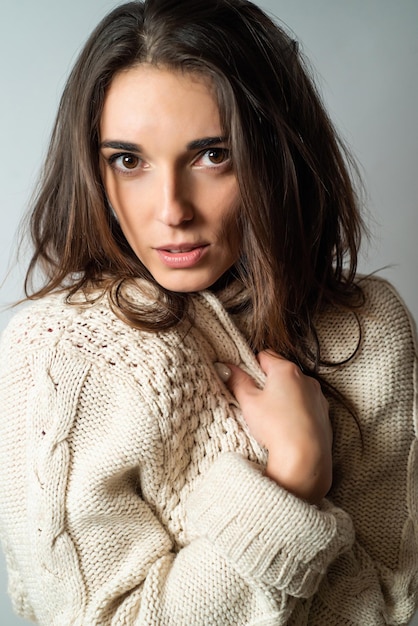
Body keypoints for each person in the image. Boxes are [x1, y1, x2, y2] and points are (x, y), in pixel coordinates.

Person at [0, 0, 417, 624]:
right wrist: (295, 477)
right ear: (93, 167)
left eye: (212, 155)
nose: (172, 209)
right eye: (129, 160)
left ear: (275, 154)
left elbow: (389, 604)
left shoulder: (369, 327)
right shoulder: (63, 352)